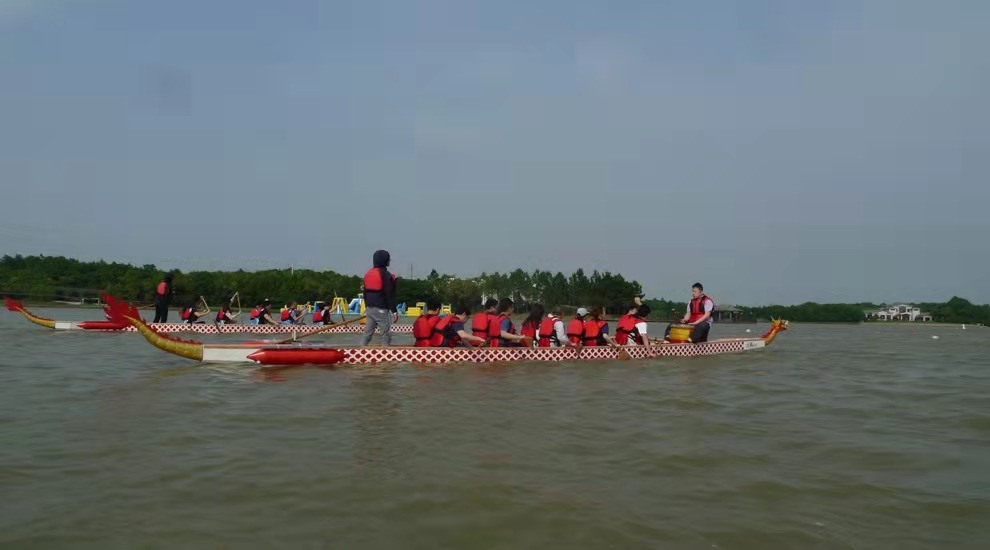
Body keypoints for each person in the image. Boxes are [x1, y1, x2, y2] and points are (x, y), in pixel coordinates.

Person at [360, 250, 399, 346]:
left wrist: (366, 307)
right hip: (381, 309)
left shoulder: (368, 274)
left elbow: (365, 293)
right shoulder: (386, 275)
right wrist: (394, 311)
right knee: (385, 334)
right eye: (388, 259)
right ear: (385, 260)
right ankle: (385, 355)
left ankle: (360, 350)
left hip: (369, 308)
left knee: (367, 334)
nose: (390, 260)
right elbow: (389, 294)